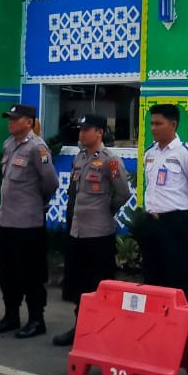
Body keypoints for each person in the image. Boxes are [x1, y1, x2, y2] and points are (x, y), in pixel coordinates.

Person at [53, 113, 132, 347]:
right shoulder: (79, 158)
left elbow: (123, 193)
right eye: (80, 129)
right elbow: (74, 193)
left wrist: (106, 211)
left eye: (87, 129)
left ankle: (101, 330)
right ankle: (80, 327)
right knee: (79, 284)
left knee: (99, 285)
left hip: (98, 233)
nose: (82, 133)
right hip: (78, 230)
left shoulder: (110, 160)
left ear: (99, 132)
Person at [0, 103, 58, 338]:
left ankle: (37, 320)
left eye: (15, 118)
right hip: (6, 219)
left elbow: (51, 182)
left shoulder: (37, 148)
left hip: (28, 222)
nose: (10, 121)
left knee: (31, 273)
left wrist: (38, 203)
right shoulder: (10, 144)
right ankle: (11, 315)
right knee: (7, 272)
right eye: (9, 117)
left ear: (28, 122)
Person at [140, 103, 188, 302]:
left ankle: (182, 329)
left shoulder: (186, 153)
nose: (153, 128)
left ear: (173, 125)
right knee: (152, 279)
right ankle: (155, 329)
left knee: (176, 279)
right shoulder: (150, 153)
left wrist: (186, 207)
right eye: (151, 123)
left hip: (175, 223)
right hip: (152, 223)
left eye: (158, 123)